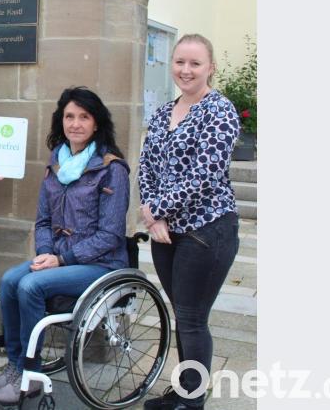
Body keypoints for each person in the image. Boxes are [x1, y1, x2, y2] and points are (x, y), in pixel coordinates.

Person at [0, 87, 130, 405]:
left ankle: (30, 375)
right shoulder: (56, 165)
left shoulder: (112, 169)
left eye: (83, 116)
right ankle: (15, 366)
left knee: (30, 287)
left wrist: (61, 259)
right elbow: (42, 222)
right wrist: (46, 253)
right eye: (69, 116)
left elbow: (110, 235)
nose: (75, 123)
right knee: (10, 280)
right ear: (60, 120)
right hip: (60, 258)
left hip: (101, 263)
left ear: (96, 123)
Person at [138, 34, 240, 410]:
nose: (186, 70)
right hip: (166, 233)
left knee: (193, 318)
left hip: (207, 230)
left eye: (195, 63)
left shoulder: (219, 110)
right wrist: (153, 212)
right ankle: (184, 389)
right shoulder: (164, 112)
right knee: (183, 313)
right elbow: (147, 165)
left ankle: (191, 402)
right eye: (180, 62)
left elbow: (205, 175)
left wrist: (157, 210)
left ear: (210, 67)